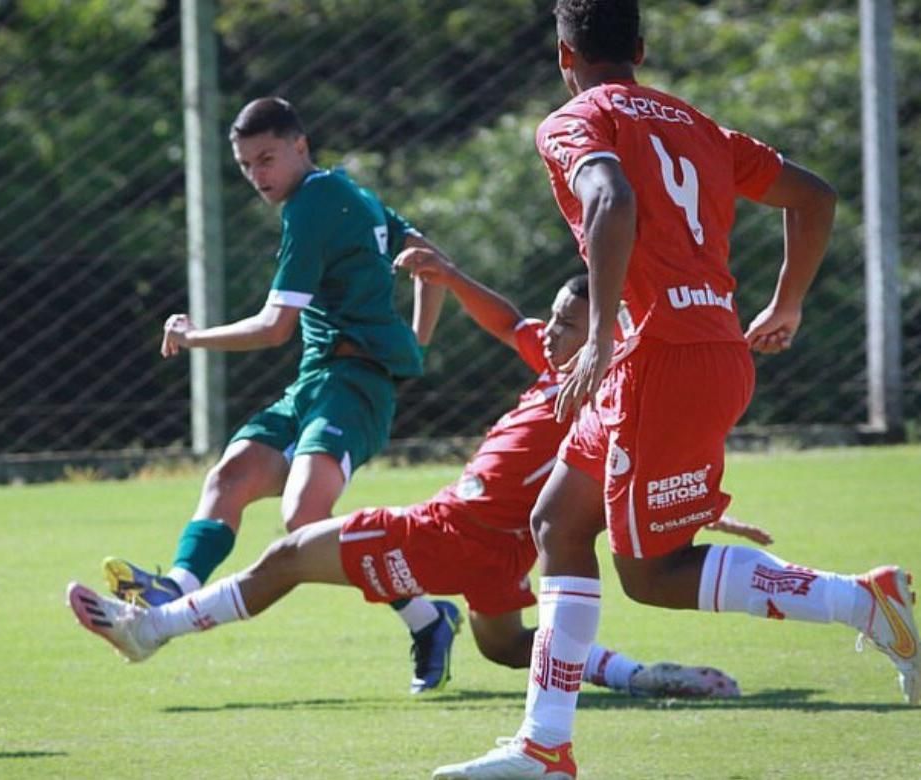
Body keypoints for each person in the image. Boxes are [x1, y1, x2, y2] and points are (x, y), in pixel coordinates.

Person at [433, 2, 921, 778]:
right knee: (557, 521)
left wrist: (595, 337)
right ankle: (543, 746)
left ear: (565, 59)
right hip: (688, 352)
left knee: (653, 575)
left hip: (660, 360)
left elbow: (612, 198)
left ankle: (865, 602)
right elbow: (816, 195)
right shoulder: (695, 123)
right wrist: (786, 301)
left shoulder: (573, 120)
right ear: (642, 49)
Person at [68, 264, 770, 701]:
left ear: (606, 338)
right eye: (555, 317)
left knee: (289, 555)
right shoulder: (565, 365)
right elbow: (507, 320)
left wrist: (700, 508)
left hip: (454, 532)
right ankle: (642, 676)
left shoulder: (602, 396)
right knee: (503, 646)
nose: (550, 331)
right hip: (500, 548)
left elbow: (636, 466)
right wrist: (451, 275)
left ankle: (153, 628)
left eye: (568, 324)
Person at [106, 96, 459, 693]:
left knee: (304, 519)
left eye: (267, 158)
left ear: (301, 146)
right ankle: (177, 590)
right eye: (246, 166)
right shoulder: (350, 191)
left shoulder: (312, 205)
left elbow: (274, 327)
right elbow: (435, 264)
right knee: (232, 475)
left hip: (354, 387)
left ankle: (428, 618)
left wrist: (192, 338)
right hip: (317, 382)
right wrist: (415, 343)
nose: (258, 176)